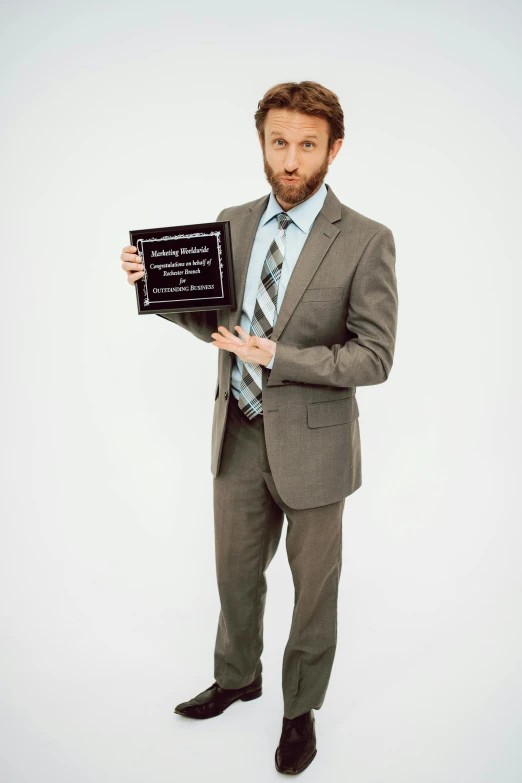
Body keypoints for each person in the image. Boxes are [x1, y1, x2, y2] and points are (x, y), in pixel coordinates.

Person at [120, 80, 398, 775]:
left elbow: (375, 355)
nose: (291, 159)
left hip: (315, 443)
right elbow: (219, 328)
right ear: (263, 144)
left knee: (313, 587)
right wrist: (155, 288)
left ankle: (299, 710)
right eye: (280, 142)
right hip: (237, 429)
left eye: (307, 145)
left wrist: (279, 355)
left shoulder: (366, 240)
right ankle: (238, 674)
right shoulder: (233, 221)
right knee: (235, 573)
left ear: (334, 149)